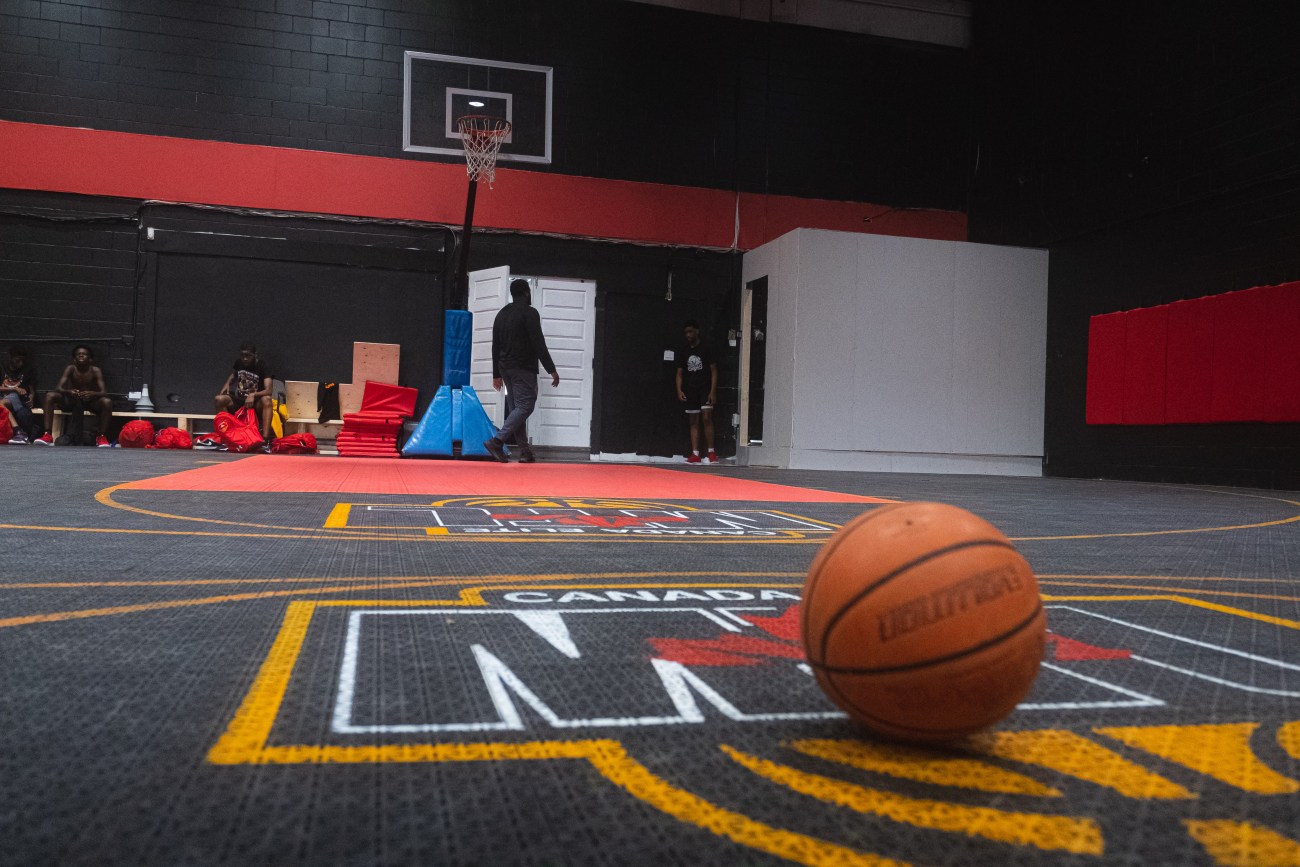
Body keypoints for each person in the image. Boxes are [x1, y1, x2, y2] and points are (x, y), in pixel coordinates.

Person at [483, 279, 560, 463]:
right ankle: (497, 441)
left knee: (517, 409)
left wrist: (496, 373)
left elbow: (495, 345)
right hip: (522, 367)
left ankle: (525, 452)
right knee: (525, 406)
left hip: (505, 367)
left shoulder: (501, 314)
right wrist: (552, 369)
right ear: (527, 292)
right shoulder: (530, 313)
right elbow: (538, 342)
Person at [38, 345, 112, 446]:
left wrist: (92, 393)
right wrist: (69, 392)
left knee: (107, 401)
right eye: (78, 354)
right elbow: (58, 388)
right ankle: (47, 435)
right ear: (74, 359)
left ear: (90, 359)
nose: (81, 356)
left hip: (89, 401)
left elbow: (104, 392)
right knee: (50, 395)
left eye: (84, 354)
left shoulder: (95, 370)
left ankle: (102, 436)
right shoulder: (71, 368)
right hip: (72, 400)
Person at [214, 342, 274, 443]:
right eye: (242, 356)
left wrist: (253, 394)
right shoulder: (239, 363)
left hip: (255, 403)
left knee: (267, 400)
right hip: (240, 400)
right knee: (219, 399)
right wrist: (227, 384)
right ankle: (227, 437)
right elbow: (234, 374)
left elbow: (269, 390)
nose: (245, 359)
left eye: (248, 356)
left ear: (255, 355)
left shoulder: (262, 366)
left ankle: (265, 440)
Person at [676, 319, 718, 463]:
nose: (688, 335)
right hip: (690, 388)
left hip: (705, 387)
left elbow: (714, 370)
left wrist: (712, 391)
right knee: (693, 420)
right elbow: (679, 372)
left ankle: (711, 452)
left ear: (697, 331)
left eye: (691, 331)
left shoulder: (706, 348)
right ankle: (695, 453)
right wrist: (679, 389)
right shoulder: (684, 351)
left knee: (706, 417)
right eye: (686, 332)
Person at [1, 346, 41, 444]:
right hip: (3, 394)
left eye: (23, 360)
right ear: (10, 358)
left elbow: (31, 389)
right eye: (18, 360)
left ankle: (18, 431)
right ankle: (18, 431)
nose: (21, 363)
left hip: (17, 398)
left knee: (5, 402)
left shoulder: (28, 370)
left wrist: (31, 398)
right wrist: (14, 388)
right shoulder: (2, 368)